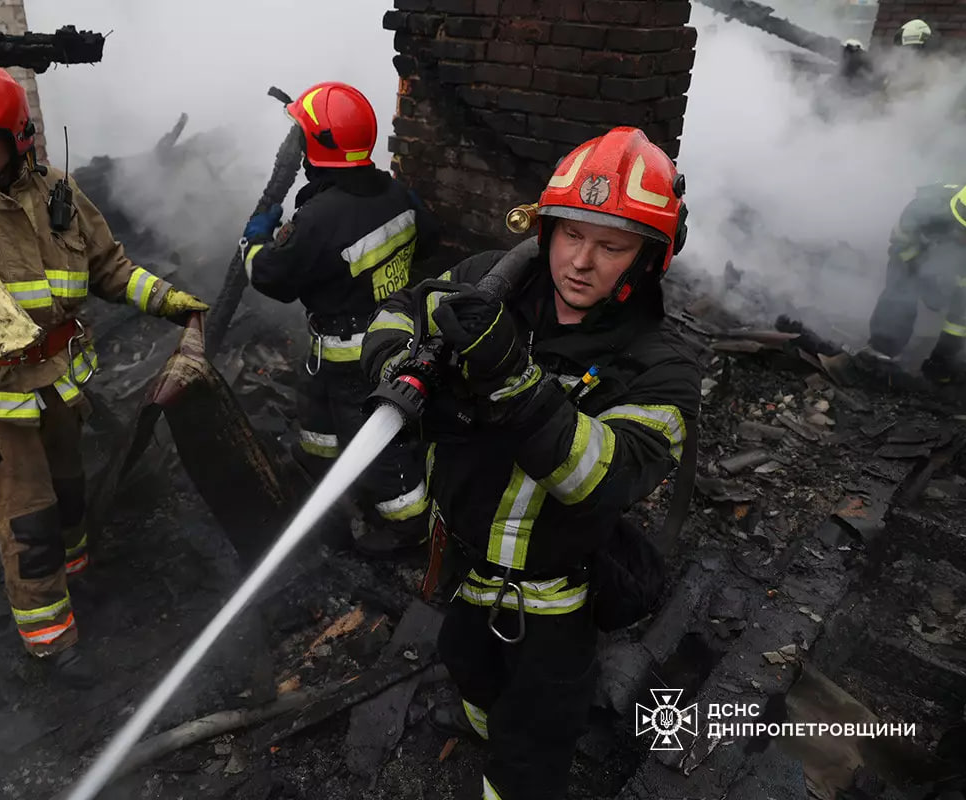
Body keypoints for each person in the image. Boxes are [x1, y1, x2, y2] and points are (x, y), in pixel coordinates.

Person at [361, 127, 702, 800]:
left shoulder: (662, 368)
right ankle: (488, 722)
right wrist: (399, 361)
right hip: (465, 569)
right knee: (467, 668)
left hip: (553, 602)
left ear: (648, 260)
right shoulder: (490, 286)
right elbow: (400, 310)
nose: (581, 262)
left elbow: (603, 476)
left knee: (532, 745)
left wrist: (512, 379)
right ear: (544, 231)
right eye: (571, 234)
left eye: (612, 246)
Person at [0, 58, 209, 684]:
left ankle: (75, 579)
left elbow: (110, 267)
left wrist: (166, 299)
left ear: (18, 137)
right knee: (27, 516)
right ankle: (51, 636)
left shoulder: (59, 192)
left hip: (59, 380)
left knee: (69, 495)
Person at [241, 80, 440, 556]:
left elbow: (268, 275)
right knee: (318, 414)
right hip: (389, 336)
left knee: (378, 447)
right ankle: (325, 471)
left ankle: (408, 527)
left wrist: (254, 239)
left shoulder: (318, 218)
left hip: (353, 357)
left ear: (317, 147)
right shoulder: (395, 192)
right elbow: (427, 239)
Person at [865, 183, 966, 383]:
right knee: (902, 293)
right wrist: (919, 271)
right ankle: (881, 351)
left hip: (948, 265)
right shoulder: (925, 208)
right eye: (963, 231)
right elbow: (900, 241)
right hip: (912, 256)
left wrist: (946, 351)